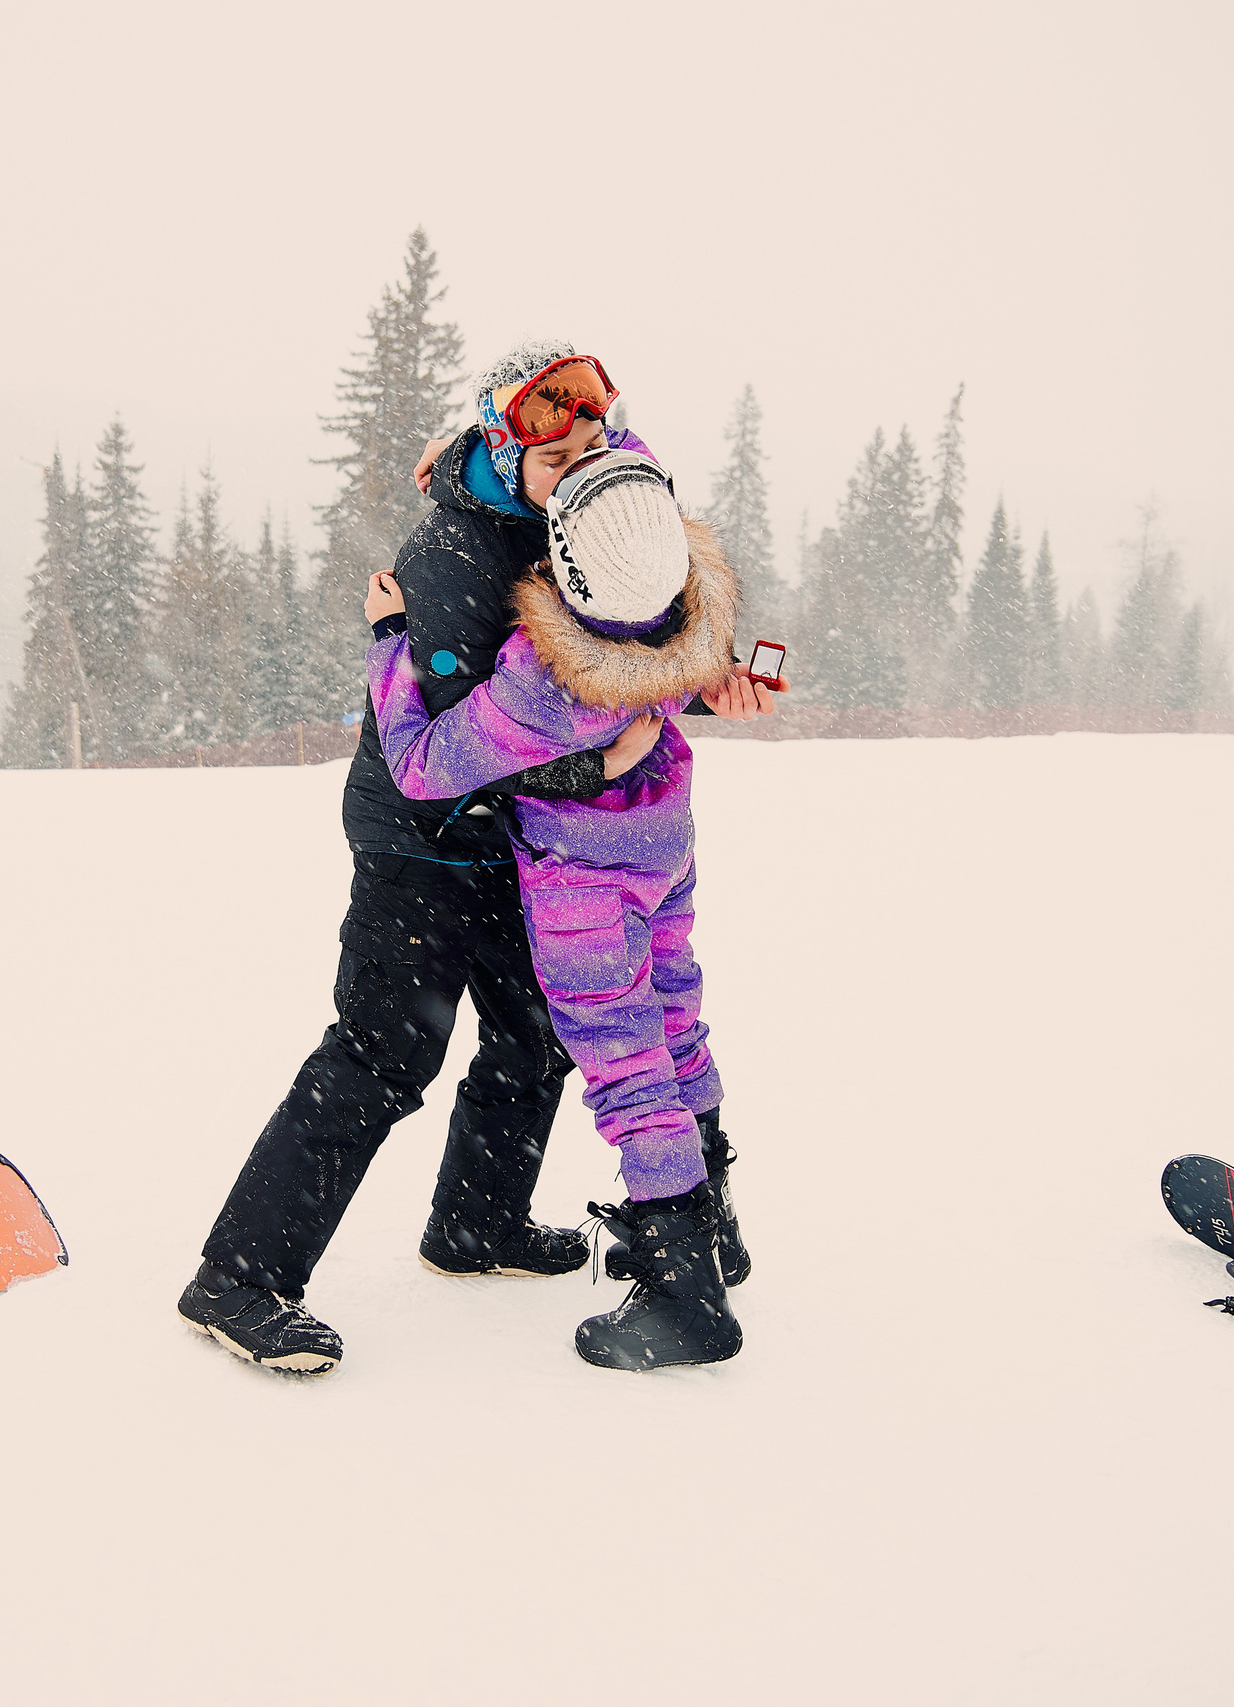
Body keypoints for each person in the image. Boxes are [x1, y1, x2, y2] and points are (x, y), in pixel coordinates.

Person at [179, 341, 776, 1374]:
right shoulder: (451, 571)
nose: (587, 465)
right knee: (384, 1052)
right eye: (558, 456)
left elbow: (619, 631)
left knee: (535, 1030)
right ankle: (240, 1278)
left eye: (596, 439)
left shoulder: (592, 481)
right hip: (421, 839)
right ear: (505, 453)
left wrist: (691, 681)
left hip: (517, 836)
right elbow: (438, 758)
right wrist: (598, 776)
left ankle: (476, 1224)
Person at [365, 447, 747, 1370]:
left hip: (583, 880)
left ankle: (680, 1284)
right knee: (676, 1025)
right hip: (663, 846)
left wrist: (390, 642)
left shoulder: (542, 678)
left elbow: (420, 764)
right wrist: (473, 442)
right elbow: (626, 480)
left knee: (626, 1065)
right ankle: (715, 1225)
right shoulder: (678, 611)